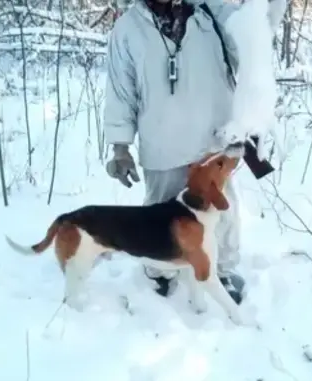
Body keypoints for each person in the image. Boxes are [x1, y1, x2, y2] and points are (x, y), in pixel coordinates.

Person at [102, 0, 287, 304]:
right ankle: (160, 273)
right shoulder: (127, 30)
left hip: (212, 142)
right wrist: (120, 147)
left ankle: (222, 272)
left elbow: (255, 31)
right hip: (162, 142)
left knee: (222, 213)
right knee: (159, 216)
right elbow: (120, 92)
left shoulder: (213, 12)